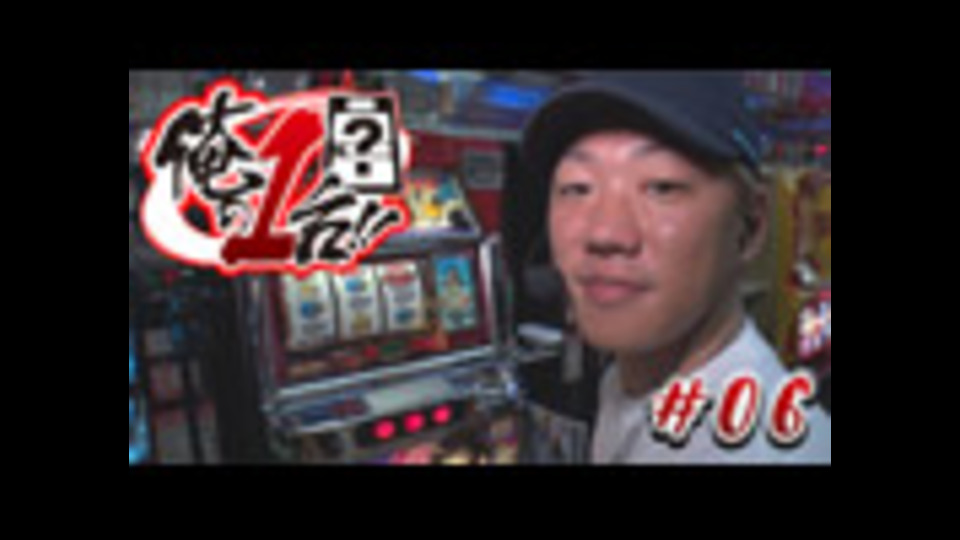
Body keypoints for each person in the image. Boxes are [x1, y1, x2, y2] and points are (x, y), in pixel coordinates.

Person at [520, 71, 830, 464]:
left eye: (662, 187)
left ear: (751, 225)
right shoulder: (628, 379)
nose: (605, 233)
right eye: (577, 188)